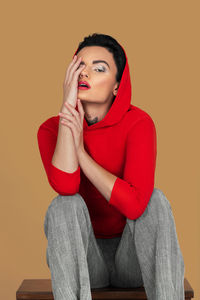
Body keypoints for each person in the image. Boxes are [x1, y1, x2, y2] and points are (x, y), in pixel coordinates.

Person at [37, 33, 185, 300]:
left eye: (99, 68)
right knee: (62, 205)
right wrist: (68, 115)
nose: (86, 74)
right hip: (84, 260)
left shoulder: (138, 123)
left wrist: (81, 154)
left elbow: (135, 206)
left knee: (155, 201)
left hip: (133, 259)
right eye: (80, 66)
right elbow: (66, 186)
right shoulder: (50, 129)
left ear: (117, 85)